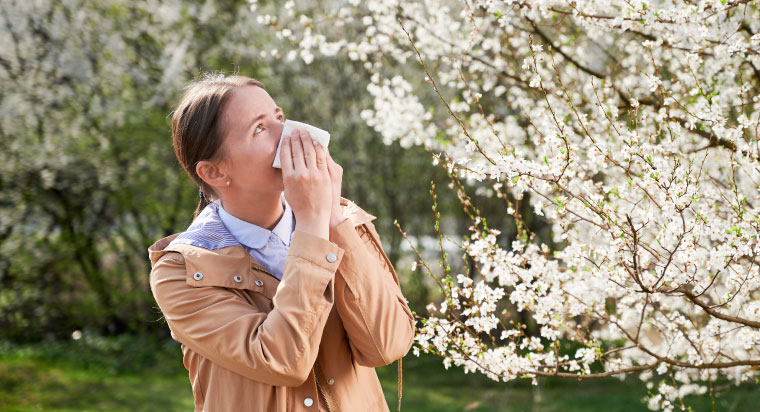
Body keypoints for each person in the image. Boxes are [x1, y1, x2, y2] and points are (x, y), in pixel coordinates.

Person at [147, 72, 415, 412]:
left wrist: (331, 218)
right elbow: (282, 360)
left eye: (280, 118)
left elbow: (388, 345)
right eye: (259, 128)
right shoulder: (181, 271)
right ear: (214, 173)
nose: (290, 135)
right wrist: (314, 226)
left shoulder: (344, 222)